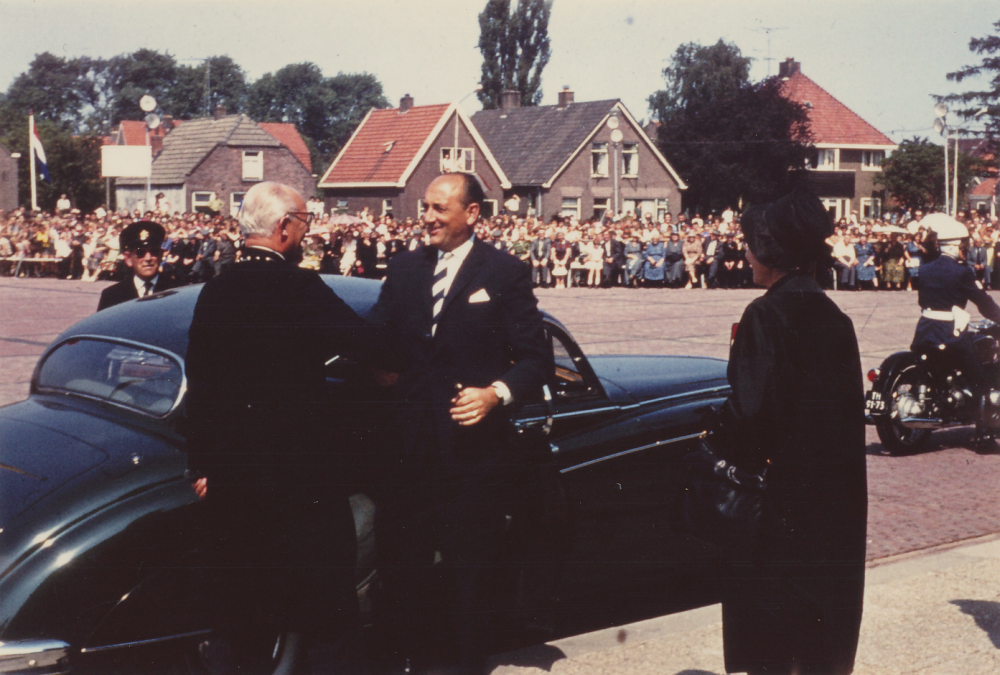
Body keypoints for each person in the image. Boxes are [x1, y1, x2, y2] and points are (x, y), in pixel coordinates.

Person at [185, 182, 377, 674]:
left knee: (239, 617)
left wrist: (203, 465)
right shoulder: (300, 287)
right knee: (326, 613)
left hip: (233, 483)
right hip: (300, 485)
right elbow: (364, 342)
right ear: (285, 228)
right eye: (306, 222)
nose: (308, 232)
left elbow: (200, 383)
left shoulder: (215, 288)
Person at [369, 173, 547, 674]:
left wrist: (496, 394)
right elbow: (379, 335)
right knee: (401, 567)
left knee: (469, 572)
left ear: (471, 214)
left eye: (439, 209)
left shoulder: (505, 272)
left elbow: (535, 358)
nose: (426, 217)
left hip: (471, 456)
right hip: (407, 450)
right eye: (425, 207)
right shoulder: (403, 268)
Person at [712, 188, 867, 675]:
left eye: (753, 246)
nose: (748, 256)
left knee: (772, 635)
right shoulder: (833, 316)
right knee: (820, 631)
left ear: (772, 252)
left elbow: (752, 415)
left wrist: (714, 433)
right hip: (834, 498)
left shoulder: (766, 314)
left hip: (780, 503)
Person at [911, 213, 1000, 445]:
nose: (966, 249)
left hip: (924, 332)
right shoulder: (962, 272)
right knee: (981, 382)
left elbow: (923, 301)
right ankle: (985, 435)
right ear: (957, 245)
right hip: (950, 335)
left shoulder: (926, 268)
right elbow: (983, 303)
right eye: (964, 245)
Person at [96, 221, 182, 311]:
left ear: (160, 256)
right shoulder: (112, 295)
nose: (148, 258)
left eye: (154, 252)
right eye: (140, 253)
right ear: (128, 258)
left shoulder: (176, 291)